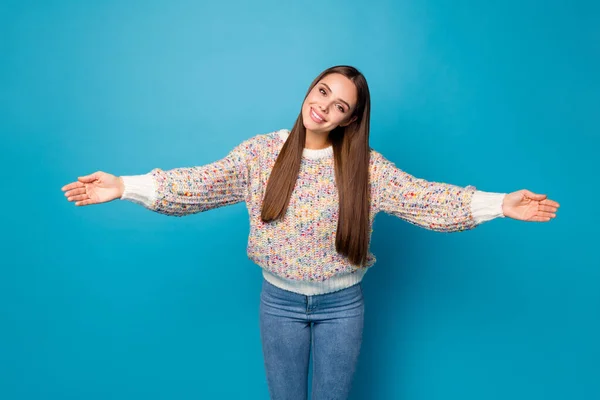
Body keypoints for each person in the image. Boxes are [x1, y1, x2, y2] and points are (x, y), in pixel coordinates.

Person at [61, 65, 560, 400]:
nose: (324, 106)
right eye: (323, 91)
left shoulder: (366, 168)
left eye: (340, 105)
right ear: (310, 90)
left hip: (343, 306)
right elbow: (198, 184)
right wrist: (125, 186)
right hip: (277, 302)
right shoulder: (262, 153)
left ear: (351, 119)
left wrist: (499, 204)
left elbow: (426, 199)